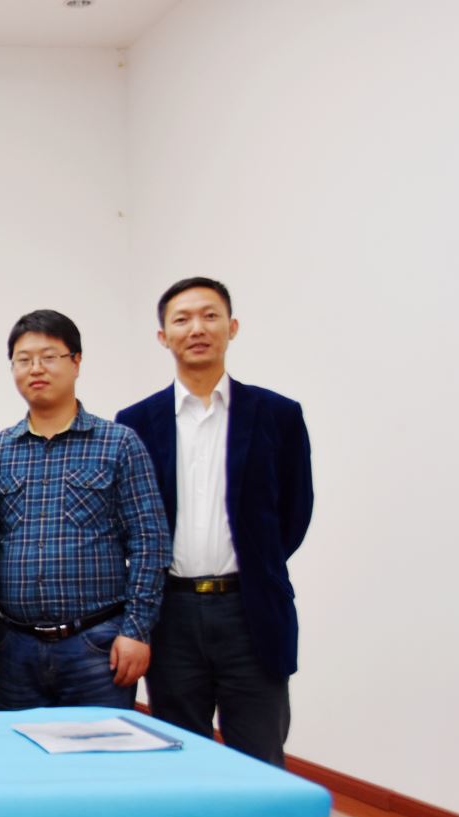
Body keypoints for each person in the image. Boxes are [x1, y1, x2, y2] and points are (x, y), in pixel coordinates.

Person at [116, 277, 313, 765]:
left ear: (232, 327)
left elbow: (295, 511)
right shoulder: (135, 422)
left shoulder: (278, 414)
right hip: (172, 613)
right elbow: (128, 520)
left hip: (251, 609)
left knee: (260, 758)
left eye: (210, 316)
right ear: (163, 336)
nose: (197, 329)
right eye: (182, 319)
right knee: (181, 757)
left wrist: (257, 562)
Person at [0, 309, 170, 710]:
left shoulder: (118, 444)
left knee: (101, 751)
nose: (36, 368)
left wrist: (136, 630)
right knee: (19, 749)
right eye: (24, 359)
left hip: (96, 644)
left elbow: (150, 542)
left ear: (76, 362)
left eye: (49, 356)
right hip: (15, 648)